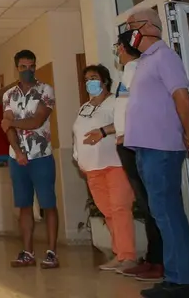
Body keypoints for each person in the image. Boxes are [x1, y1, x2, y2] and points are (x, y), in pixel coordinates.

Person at [122, 9, 189, 298]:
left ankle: (179, 280)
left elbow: (182, 97)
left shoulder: (164, 57)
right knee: (168, 213)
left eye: (131, 26)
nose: (127, 31)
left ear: (148, 27)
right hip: (147, 149)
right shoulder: (144, 62)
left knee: (166, 214)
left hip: (161, 149)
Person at [73, 63, 137, 272]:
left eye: (93, 77)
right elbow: (77, 135)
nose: (90, 82)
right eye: (86, 79)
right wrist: (78, 158)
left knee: (120, 209)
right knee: (107, 211)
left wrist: (103, 131)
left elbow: (127, 123)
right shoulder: (84, 107)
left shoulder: (115, 103)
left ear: (105, 80)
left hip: (115, 165)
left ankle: (128, 256)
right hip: (92, 169)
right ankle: (119, 254)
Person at [114, 33, 165, 283]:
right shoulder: (130, 70)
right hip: (130, 142)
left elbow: (142, 104)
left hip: (137, 143)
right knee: (146, 206)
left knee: (152, 205)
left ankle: (161, 261)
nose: (117, 52)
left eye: (117, 48)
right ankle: (153, 258)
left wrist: (130, 134)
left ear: (123, 48)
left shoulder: (135, 69)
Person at [2, 49, 59, 269]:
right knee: (24, 205)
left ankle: (52, 252)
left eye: (32, 66)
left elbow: (37, 121)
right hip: (17, 158)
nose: (28, 70)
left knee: (48, 204)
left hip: (41, 155)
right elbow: (6, 127)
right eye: (23, 67)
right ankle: (27, 252)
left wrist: (12, 123)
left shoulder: (45, 90)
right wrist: (17, 150)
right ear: (17, 68)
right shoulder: (9, 95)